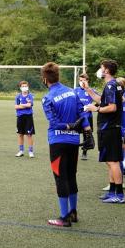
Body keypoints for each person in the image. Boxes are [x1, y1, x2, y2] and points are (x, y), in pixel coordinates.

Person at [41, 63, 90, 227]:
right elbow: (82, 113)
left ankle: (64, 217)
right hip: (74, 142)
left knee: (60, 178)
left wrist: (68, 126)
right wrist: (88, 132)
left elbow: (54, 123)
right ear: (58, 76)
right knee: (71, 176)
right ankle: (73, 212)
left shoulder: (47, 98)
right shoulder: (72, 92)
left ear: (44, 79)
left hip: (58, 142)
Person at [82, 60, 125, 204]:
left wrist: (96, 109)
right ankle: (112, 191)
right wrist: (88, 89)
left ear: (106, 70)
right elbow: (102, 100)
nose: (99, 70)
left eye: (101, 68)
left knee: (113, 161)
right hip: (108, 128)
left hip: (111, 128)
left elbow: (112, 107)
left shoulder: (112, 85)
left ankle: (119, 195)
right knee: (109, 160)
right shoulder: (111, 85)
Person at [74, 73, 98, 160]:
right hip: (77, 117)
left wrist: (93, 107)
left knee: (86, 135)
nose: (82, 82)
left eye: (84, 80)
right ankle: (74, 152)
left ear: (87, 81)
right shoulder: (75, 90)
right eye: (80, 80)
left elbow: (99, 100)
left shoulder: (91, 91)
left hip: (87, 116)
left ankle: (84, 152)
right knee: (75, 133)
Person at [14, 80, 35, 158]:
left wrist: (21, 105)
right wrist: (25, 105)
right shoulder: (18, 96)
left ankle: (30, 151)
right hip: (20, 117)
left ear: (28, 87)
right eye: (22, 86)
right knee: (20, 134)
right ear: (20, 88)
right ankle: (21, 151)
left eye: (25, 86)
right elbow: (16, 106)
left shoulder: (30, 96)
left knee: (29, 134)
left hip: (28, 117)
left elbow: (30, 105)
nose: (24, 87)